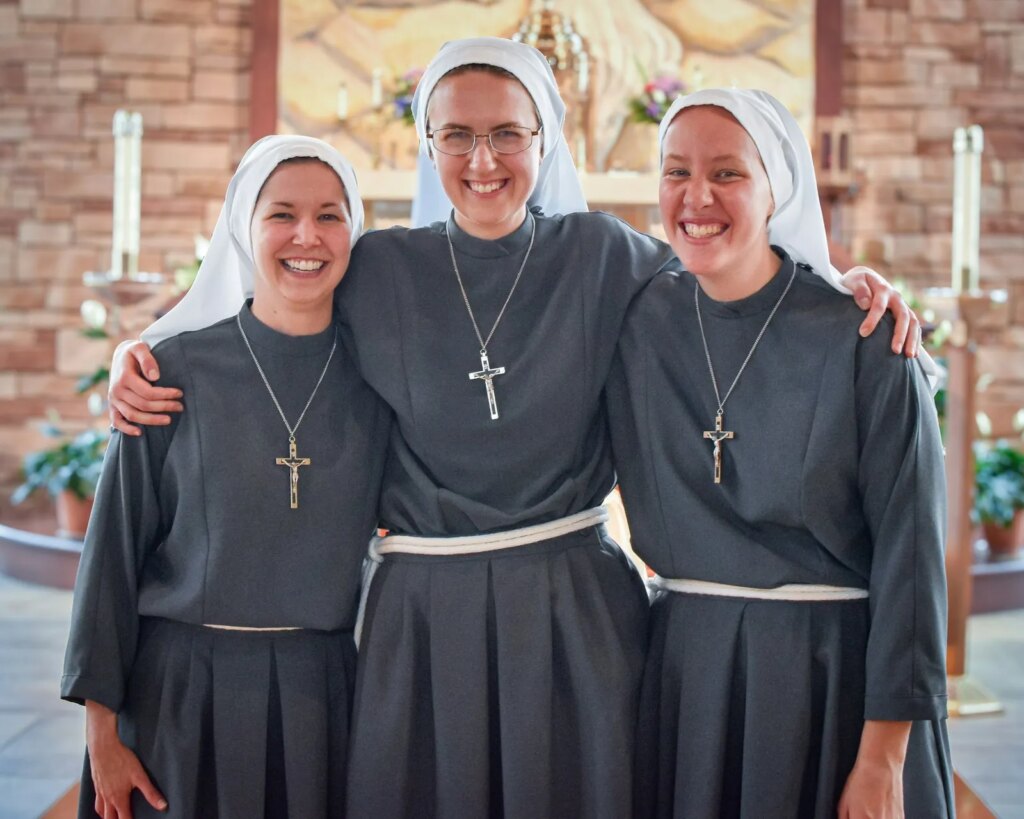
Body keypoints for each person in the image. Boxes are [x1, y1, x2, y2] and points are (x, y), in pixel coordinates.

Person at [106, 40, 921, 818]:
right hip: (422, 619)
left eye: (506, 133)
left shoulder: (606, 255)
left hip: (574, 610)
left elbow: (733, 269)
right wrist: (140, 353)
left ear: (545, 139)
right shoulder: (377, 266)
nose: (482, 159)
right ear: (428, 144)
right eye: (457, 135)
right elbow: (271, 297)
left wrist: (840, 281)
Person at [607, 89, 952, 818]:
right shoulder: (636, 319)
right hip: (689, 678)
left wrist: (883, 757)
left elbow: (912, 557)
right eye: (676, 171)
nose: (697, 196)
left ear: (777, 189)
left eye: (727, 172)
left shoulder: (866, 340)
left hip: (834, 683)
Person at [62, 135, 390, 818]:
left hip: (324, 698)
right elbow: (112, 555)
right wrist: (101, 734)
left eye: (330, 215)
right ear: (244, 226)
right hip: (182, 697)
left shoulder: (382, 379)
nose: (307, 236)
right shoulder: (168, 373)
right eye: (282, 214)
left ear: (354, 231)